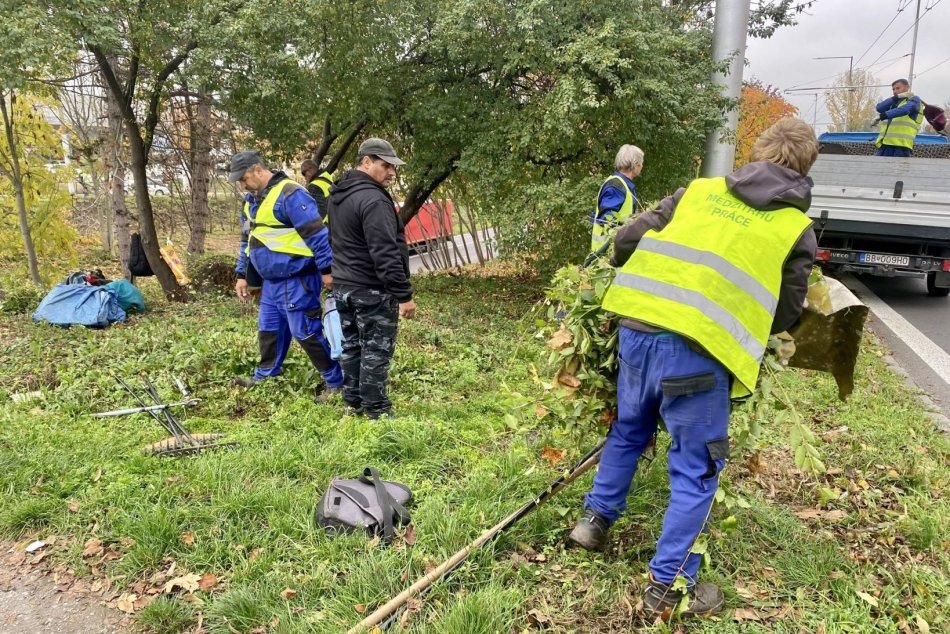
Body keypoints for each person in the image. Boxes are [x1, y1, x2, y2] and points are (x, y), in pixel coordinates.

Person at [569, 118, 819, 621]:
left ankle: (592, 523)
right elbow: (787, 312)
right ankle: (667, 584)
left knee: (628, 430)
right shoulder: (796, 229)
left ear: (757, 152)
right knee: (698, 467)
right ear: (805, 169)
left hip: (637, 333)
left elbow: (623, 244)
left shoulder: (698, 192)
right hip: (699, 357)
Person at [230, 150, 343, 401]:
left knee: (305, 331)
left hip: (298, 277)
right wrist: (241, 274)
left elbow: (316, 235)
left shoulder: (290, 194)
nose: (243, 184)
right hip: (271, 282)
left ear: (258, 170)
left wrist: (327, 270)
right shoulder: (250, 202)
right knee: (269, 330)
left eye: (244, 178)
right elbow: (246, 241)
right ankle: (265, 376)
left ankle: (336, 382)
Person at [328, 138, 416, 420]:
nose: (391, 173)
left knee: (352, 347)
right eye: (385, 165)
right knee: (376, 351)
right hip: (371, 290)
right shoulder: (373, 198)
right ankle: (376, 412)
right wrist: (403, 294)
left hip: (343, 288)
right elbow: (385, 252)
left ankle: (353, 404)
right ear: (366, 162)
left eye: (393, 167)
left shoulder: (339, 195)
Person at [591, 145, 643, 252]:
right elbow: (606, 220)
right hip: (606, 254)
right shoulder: (616, 186)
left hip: (614, 251)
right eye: (641, 163)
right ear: (635, 165)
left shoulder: (623, 185)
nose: (642, 165)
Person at [874, 78, 923, 157]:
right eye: (893, 89)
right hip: (885, 144)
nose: (895, 91)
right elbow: (879, 108)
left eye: (898, 88)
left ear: (907, 87)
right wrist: (895, 98)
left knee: (899, 169)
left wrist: (883, 116)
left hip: (901, 146)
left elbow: (905, 110)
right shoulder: (893, 102)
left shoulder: (914, 99)